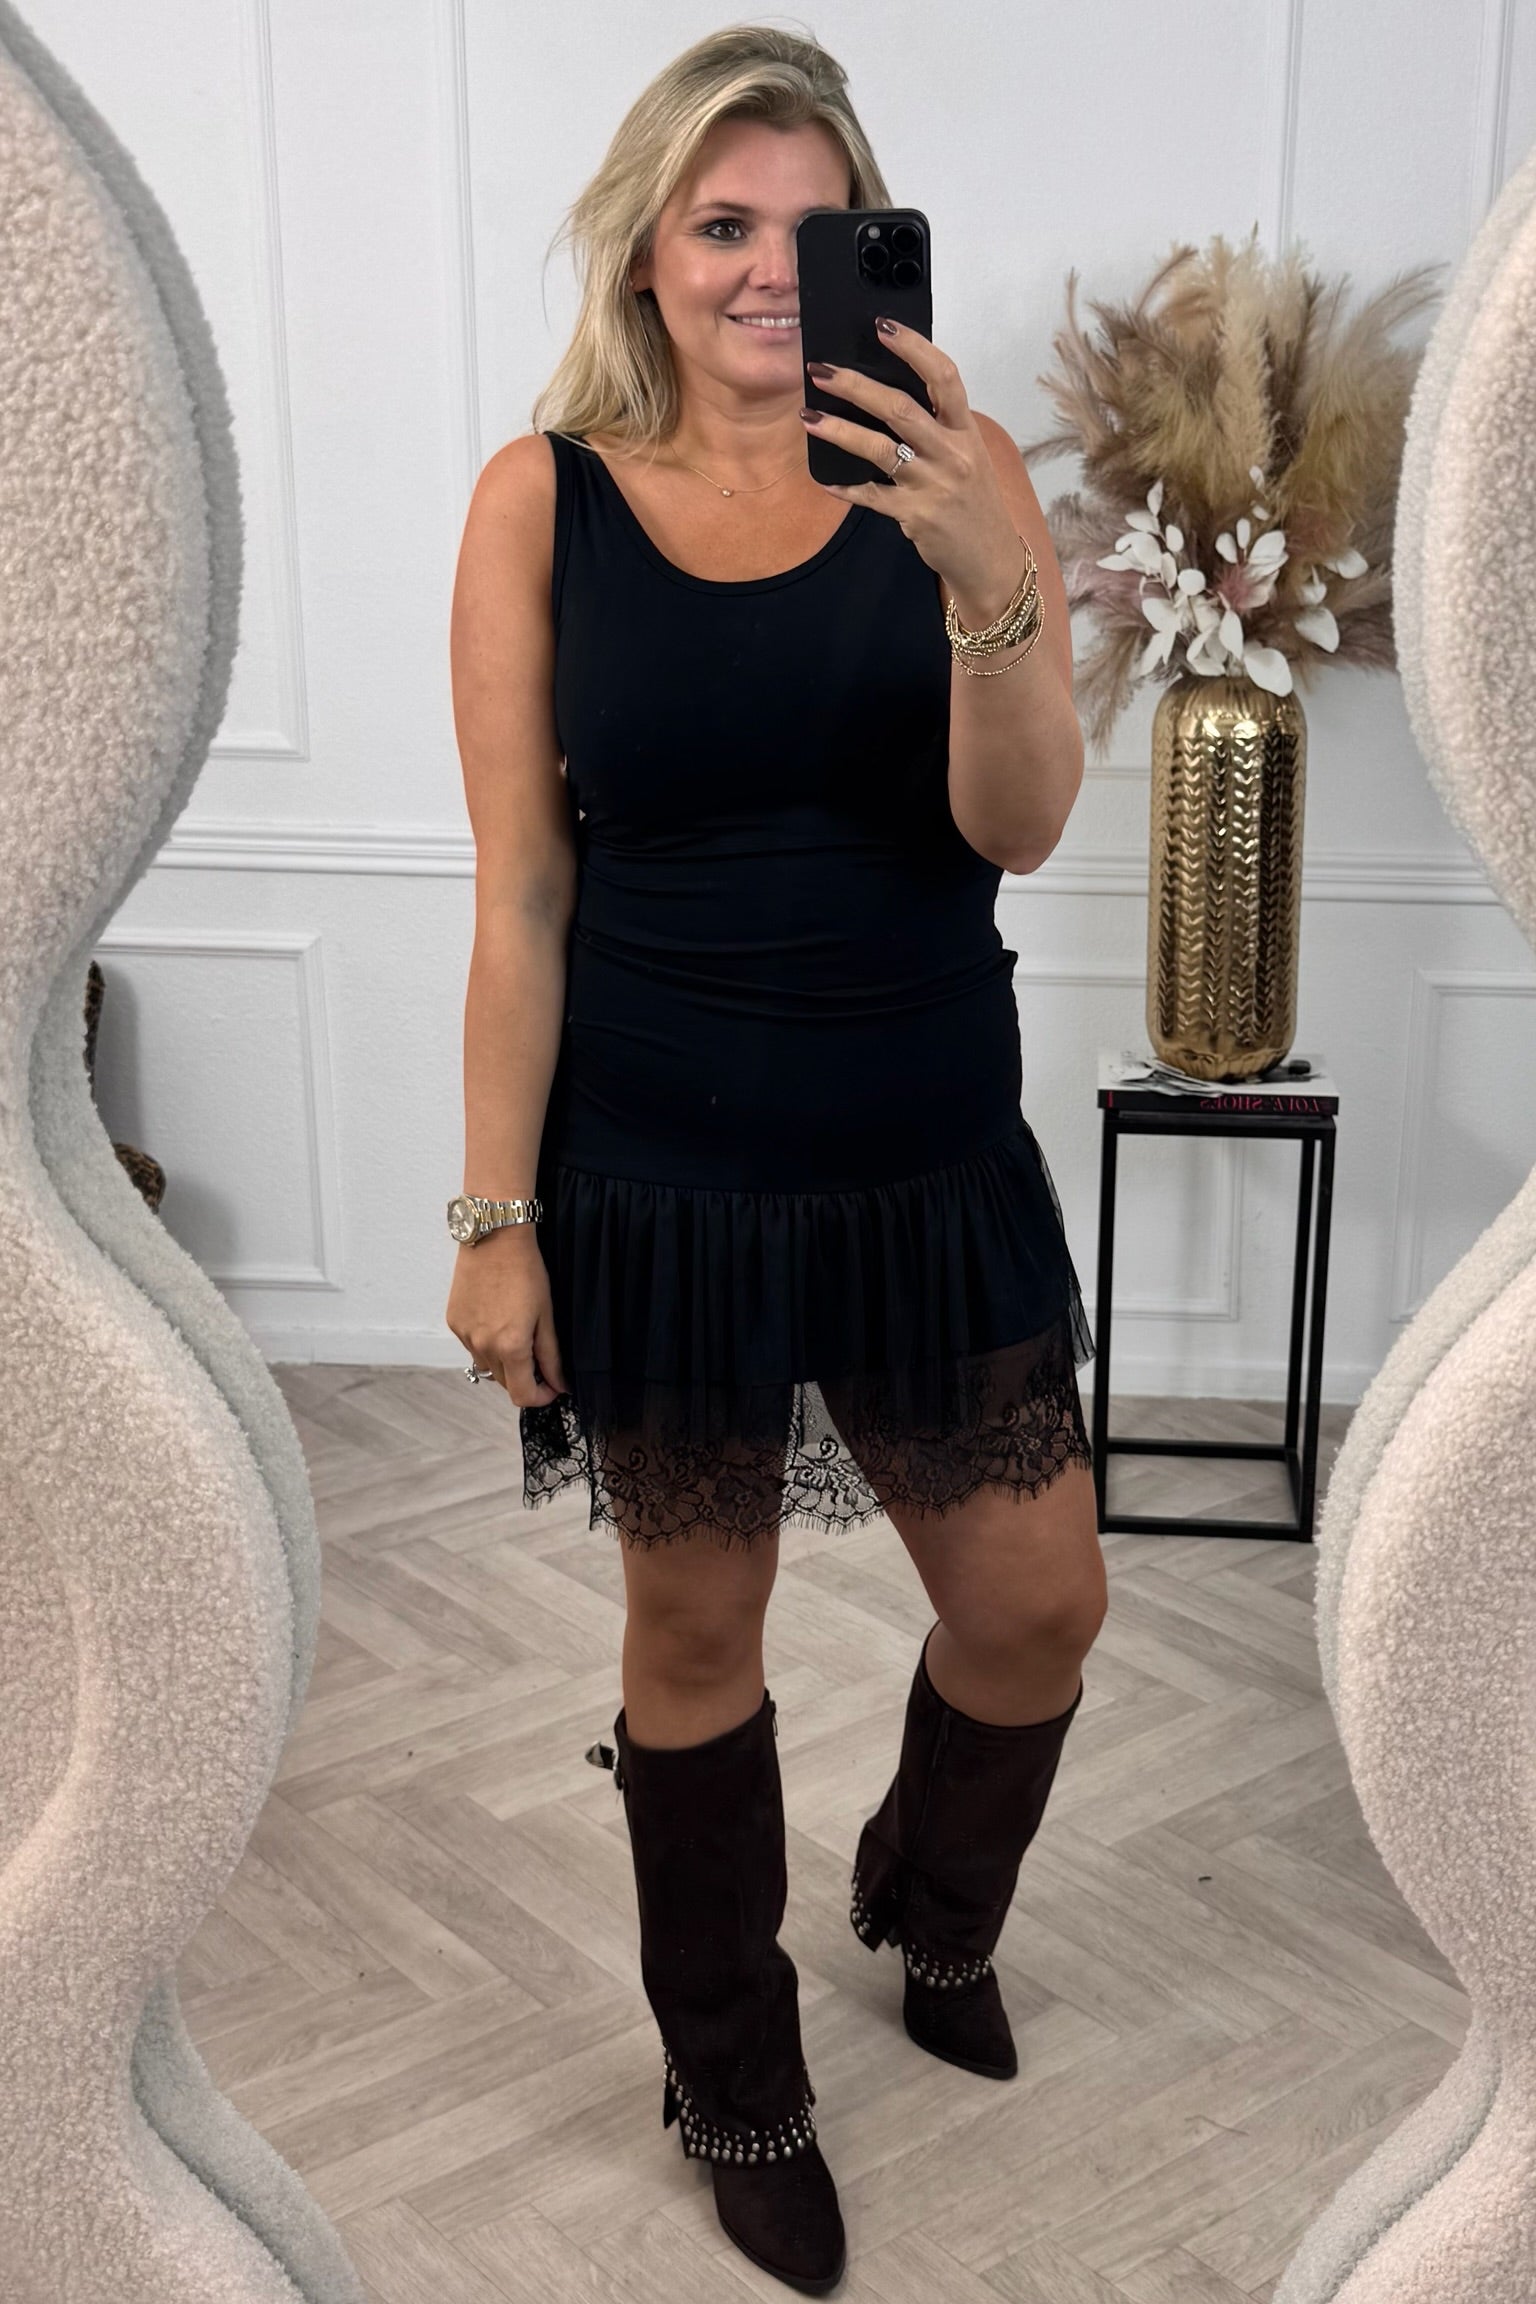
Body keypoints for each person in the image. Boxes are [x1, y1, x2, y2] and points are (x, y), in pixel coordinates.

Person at [446, 26, 1108, 2296]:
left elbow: (1021, 824)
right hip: (660, 1181)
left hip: (929, 1158)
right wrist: (495, 1217)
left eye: (810, 230)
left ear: (868, 251)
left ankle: (927, 1903)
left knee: (1036, 1608)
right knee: (693, 1632)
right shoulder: (539, 503)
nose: (761, 269)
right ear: (645, 248)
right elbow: (523, 895)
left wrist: (978, 571)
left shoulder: (961, 470)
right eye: (721, 223)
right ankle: (733, 2072)